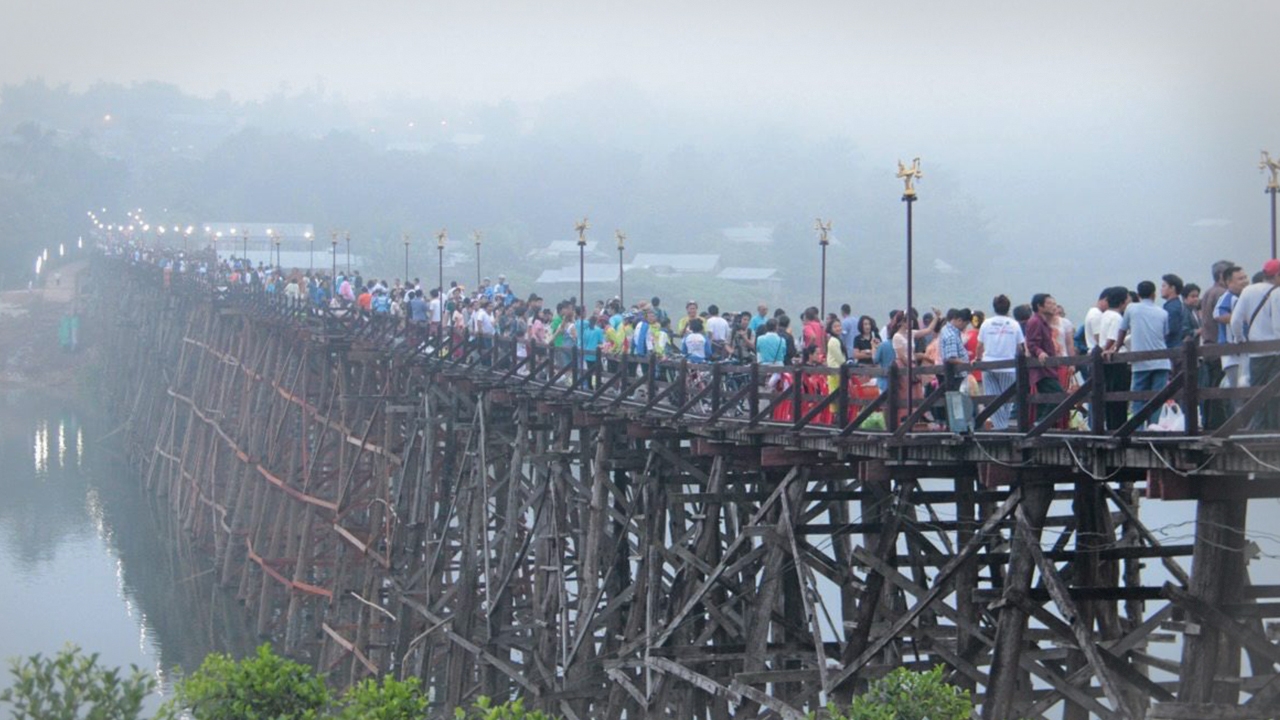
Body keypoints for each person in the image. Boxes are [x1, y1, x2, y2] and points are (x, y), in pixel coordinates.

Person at [1230, 259, 1280, 429]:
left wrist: (1240, 339)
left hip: (1256, 352)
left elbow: (1235, 320)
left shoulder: (1248, 291)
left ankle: (1257, 429)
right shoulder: (1278, 292)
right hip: (1276, 351)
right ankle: (1274, 429)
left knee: (1257, 393)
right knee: (1275, 394)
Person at [1114, 280, 1171, 418]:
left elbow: (1122, 330)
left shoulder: (1131, 309)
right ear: (1154, 294)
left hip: (1140, 362)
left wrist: (1117, 348)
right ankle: (1154, 428)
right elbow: (1165, 334)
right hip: (1161, 361)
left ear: (1138, 294)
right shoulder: (1163, 313)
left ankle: (1138, 430)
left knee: (1137, 398)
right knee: (1157, 399)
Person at [975, 294, 1024, 430]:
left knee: (992, 398)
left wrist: (978, 359)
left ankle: (1000, 427)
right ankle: (1002, 427)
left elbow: (979, 346)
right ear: (1008, 308)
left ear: (994, 307)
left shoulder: (986, 323)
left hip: (989, 364)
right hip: (1008, 367)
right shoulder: (1014, 324)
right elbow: (1020, 347)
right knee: (1007, 400)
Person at [1025, 293, 1064, 424]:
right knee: (1059, 395)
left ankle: (1039, 425)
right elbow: (1031, 343)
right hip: (1042, 368)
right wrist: (1039, 352)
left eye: (1054, 303)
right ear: (1039, 306)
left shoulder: (1043, 322)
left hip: (1048, 367)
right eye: (1049, 304)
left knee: (1045, 398)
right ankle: (1041, 423)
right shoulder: (1035, 321)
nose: (1054, 306)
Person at [1161, 273, 1186, 348]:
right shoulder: (1178, 304)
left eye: (1164, 286)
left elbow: (1170, 329)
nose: (1161, 289)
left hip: (1172, 348)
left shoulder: (1172, 307)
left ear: (1172, 288)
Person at [825, 317, 846, 393]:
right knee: (835, 397)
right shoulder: (834, 341)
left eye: (839, 326)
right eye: (835, 327)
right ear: (831, 329)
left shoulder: (836, 339)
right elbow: (840, 359)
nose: (838, 328)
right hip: (835, 372)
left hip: (836, 372)